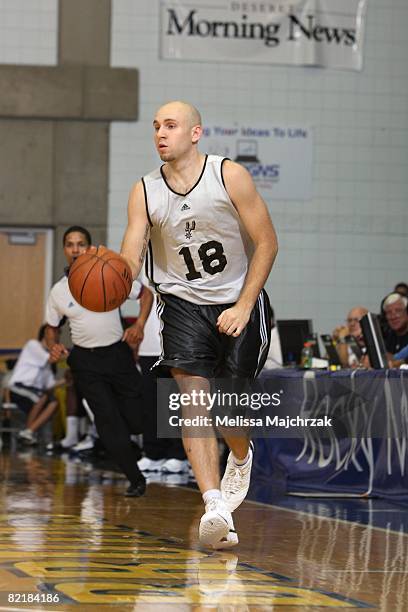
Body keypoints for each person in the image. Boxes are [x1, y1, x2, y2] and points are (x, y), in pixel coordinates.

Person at [120, 100, 278, 547]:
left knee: (228, 408)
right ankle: (214, 504)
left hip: (236, 301)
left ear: (195, 133)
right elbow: (132, 252)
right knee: (193, 398)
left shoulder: (229, 176)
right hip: (182, 303)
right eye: (155, 126)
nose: (160, 133)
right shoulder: (145, 191)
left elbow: (267, 242)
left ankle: (242, 457)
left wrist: (245, 305)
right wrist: (117, 275)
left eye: (170, 125)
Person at [46, 226, 153, 497]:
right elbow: (51, 328)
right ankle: (135, 478)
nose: (75, 248)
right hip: (84, 361)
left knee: (139, 419)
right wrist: (53, 345)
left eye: (80, 243)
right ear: (64, 249)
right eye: (69, 244)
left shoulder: (109, 272)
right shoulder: (58, 291)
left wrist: (139, 324)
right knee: (107, 422)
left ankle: (148, 447)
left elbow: (146, 295)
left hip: (117, 355)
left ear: (89, 248)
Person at [8, 325, 61, 444]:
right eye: (55, 333)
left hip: (35, 392)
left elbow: (50, 385)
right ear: (46, 334)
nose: (58, 337)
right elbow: (51, 358)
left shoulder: (49, 362)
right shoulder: (33, 345)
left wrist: (67, 380)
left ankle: (28, 432)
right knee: (42, 397)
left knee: (54, 403)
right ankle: (27, 433)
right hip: (18, 388)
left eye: (59, 333)